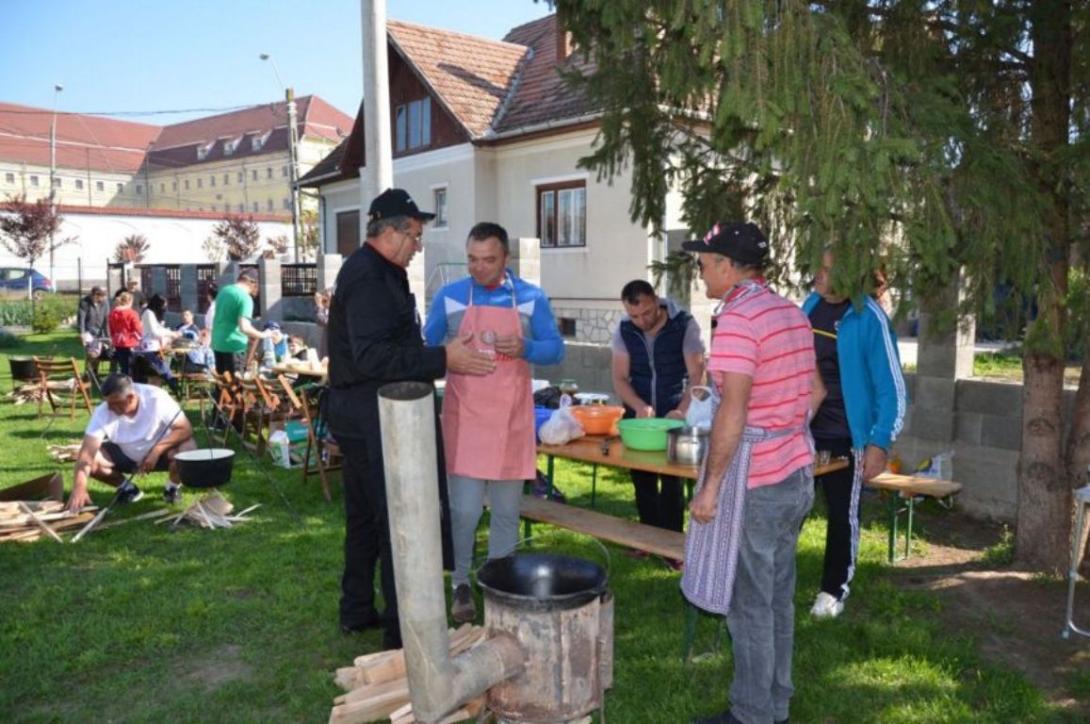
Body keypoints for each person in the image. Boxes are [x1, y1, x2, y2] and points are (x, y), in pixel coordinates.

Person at [324, 188, 495, 650]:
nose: (419, 245)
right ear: (394, 231)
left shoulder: (381, 272)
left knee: (362, 516)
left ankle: (357, 610)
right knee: (396, 516)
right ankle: (403, 630)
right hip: (372, 413)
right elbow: (373, 356)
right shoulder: (369, 277)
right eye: (416, 235)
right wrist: (443, 359)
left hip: (360, 409)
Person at [682, 222, 824, 724]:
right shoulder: (790, 311)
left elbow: (733, 411)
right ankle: (776, 703)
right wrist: (783, 430)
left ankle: (751, 714)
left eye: (703, 262)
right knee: (778, 598)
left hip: (757, 483)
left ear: (726, 265)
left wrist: (711, 490)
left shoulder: (740, 320)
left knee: (749, 607)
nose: (699, 271)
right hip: (795, 472)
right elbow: (816, 392)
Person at [424, 222, 565, 623]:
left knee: (506, 512)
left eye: (488, 260)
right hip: (465, 419)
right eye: (472, 259)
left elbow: (555, 349)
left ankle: (502, 583)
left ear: (506, 259)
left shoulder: (530, 298)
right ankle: (461, 582)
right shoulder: (450, 297)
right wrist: (445, 350)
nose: (478, 268)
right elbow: (426, 344)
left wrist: (527, 347)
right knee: (465, 511)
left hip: (509, 421)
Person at [801, 250, 907, 619]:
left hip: (848, 436)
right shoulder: (810, 305)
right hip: (803, 430)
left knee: (842, 515)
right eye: (819, 266)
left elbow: (891, 388)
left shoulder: (869, 318)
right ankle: (776, 576)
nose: (818, 274)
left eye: (827, 270)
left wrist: (879, 442)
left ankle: (833, 591)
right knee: (790, 506)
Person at [611, 279, 704, 556]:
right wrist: (638, 405)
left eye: (647, 313)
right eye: (635, 316)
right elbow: (619, 378)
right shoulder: (624, 329)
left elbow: (698, 374)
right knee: (642, 478)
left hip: (676, 408)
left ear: (656, 300)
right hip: (640, 414)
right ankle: (646, 540)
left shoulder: (684, 324)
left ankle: (672, 547)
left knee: (672, 480)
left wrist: (681, 410)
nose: (641, 321)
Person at [66, 373, 196, 511]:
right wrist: (79, 488)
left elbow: (185, 429)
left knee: (189, 448)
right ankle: (128, 489)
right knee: (93, 461)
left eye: (115, 403)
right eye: (107, 403)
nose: (109, 408)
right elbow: (86, 454)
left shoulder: (156, 398)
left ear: (131, 397)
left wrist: (156, 451)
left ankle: (172, 488)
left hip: (163, 452)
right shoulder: (102, 412)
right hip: (124, 455)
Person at [210, 269, 272, 376]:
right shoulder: (245, 298)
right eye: (256, 286)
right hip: (235, 346)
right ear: (252, 283)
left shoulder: (224, 291)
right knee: (237, 385)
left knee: (223, 384)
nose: (255, 290)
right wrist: (263, 335)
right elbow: (244, 327)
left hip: (217, 342)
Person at [136, 294, 180, 394]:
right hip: (149, 349)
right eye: (163, 305)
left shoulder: (153, 314)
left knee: (158, 375)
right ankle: (175, 389)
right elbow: (154, 332)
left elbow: (159, 329)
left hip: (156, 347)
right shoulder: (148, 313)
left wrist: (171, 333)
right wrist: (170, 333)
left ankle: (161, 392)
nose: (164, 308)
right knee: (161, 372)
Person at [78, 286, 110, 379]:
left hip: (100, 332)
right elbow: (81, 319)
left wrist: (108, 336)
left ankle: (94, 372)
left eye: (104, 295)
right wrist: (82, 333)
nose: (104, 298)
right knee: (91, 353)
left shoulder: (105, 302)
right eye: (102, 295)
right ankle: (88, 373)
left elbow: (106, 320)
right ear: (95, 295)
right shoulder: (84, 302)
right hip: (88, 331)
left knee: (97, 353)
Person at [107, 291, 142, 376]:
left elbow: (111, 330)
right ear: (130, 301)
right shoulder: (132, 313)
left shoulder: (112, 313)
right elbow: (138, 329)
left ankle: (124, 383)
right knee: (133, 366)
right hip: (130, 342)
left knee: (123, 366)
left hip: (117, 341)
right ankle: (132, 383)